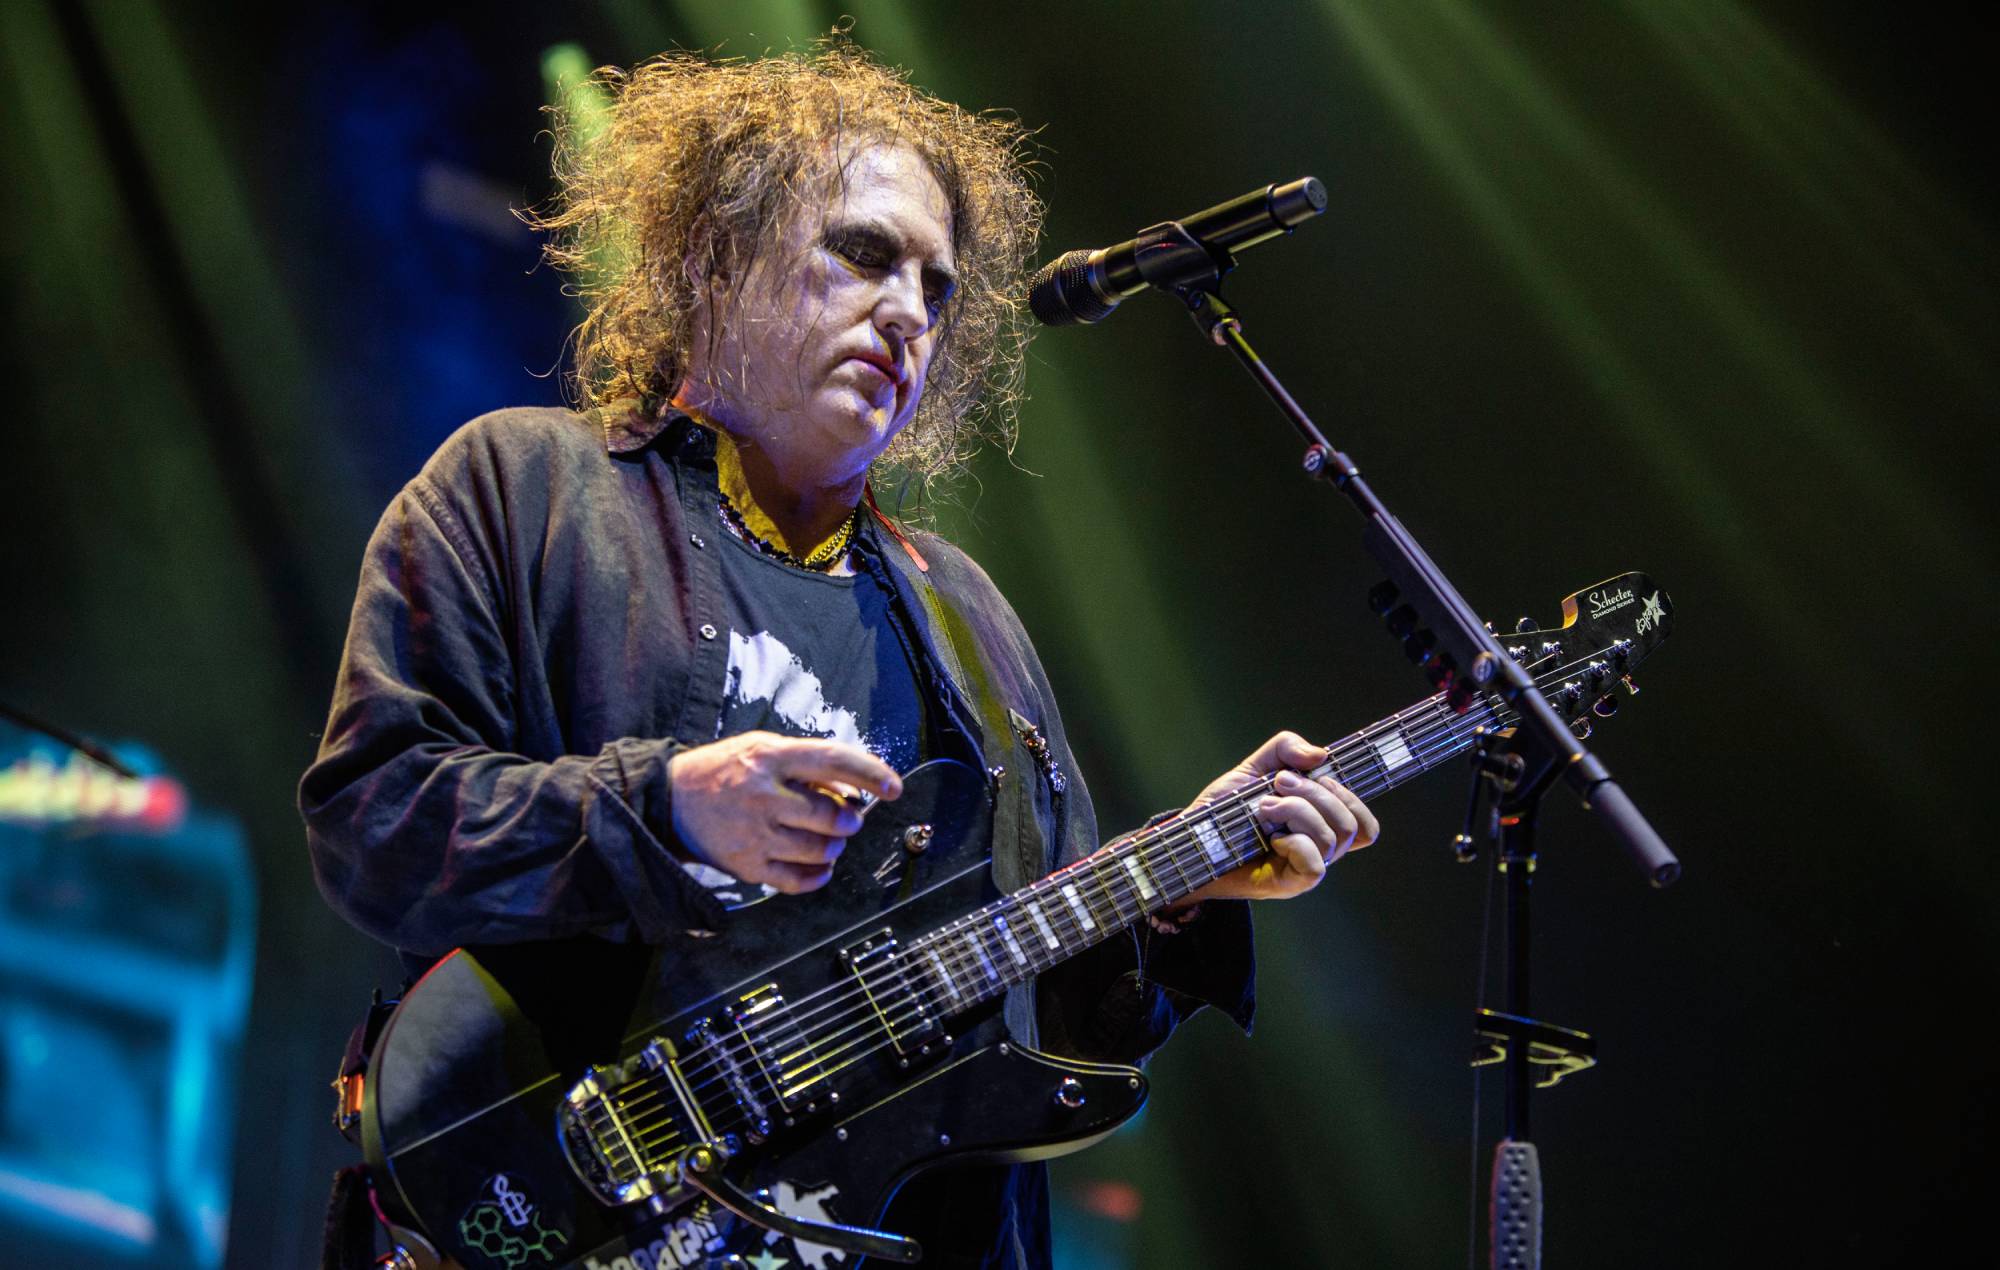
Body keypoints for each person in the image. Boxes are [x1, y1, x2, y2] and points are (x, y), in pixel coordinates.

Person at [300, 39, 1377, 1270]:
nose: (909, 311)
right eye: (863, 253)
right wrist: (665, 808)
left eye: (939, 288)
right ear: (714, 256)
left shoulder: (969, 624)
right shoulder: (526, 487)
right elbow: (372, 823)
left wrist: (1176, 891)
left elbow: (1035, 1025)